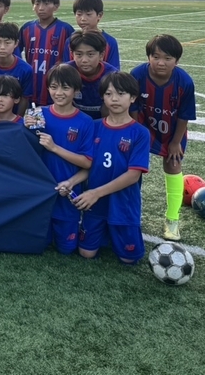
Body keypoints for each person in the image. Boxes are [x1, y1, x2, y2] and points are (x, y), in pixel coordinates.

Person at [58, 71, 149, 265]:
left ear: (133, 98)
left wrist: (95, 193)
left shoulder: (140, 133)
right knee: (86, 253)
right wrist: (71, 182)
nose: (114, 99)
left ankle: (114, 231)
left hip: (123, 203)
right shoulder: (95, 126)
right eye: (108, 94)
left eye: (121, 94)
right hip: (95, 204)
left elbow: (133, 175)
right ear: (102, 97)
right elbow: (89, 165)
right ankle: (105, 231)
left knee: (128, 259)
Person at [130, 34, 196, 241]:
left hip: (171, 131)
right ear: (148, 57)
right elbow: (132, 107)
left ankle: (172, 219)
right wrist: (136, 135)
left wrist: (175, 142)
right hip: (143, 126)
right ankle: (132, 215)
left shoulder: (184, 82)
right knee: (133, 165)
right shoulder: (137, 75)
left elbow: (185, 115)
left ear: (177, 61)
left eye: (167, 58)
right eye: (156, 57)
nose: (161, 62)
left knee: (173, 164)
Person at [34, 64, 96, 255]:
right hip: (41, 195)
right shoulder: (38, 115)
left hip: (68, 193)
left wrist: (55, 148)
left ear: (76, 90)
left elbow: (87, 163)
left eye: (65, 88)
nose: (58, 93)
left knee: (66, 249)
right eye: (53, 87)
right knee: (38, 245)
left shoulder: (85, 122)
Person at [19, 0, 74, 107]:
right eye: (37, 3)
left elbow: (71, 59)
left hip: (56, 85)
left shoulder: (65, 29)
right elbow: (15, 53)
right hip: (31, 83)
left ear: (56, 6)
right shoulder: (27, 28)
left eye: (46, 4)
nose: (41, 8)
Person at [69, 30, 118, 119]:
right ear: (72, 54)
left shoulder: (112, 76)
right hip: (73, 122)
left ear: (101, 55)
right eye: (79, 54)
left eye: (90, 54)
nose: (84, 60)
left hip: (103, 122)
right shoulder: (65, 73)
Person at [70, 0, 120, 68]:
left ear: (99, 15)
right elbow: (66, 67)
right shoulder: (71, 40)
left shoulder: (110, 41)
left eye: (88, 14)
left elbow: (114, 70)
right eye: (79, 14)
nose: (83, 19)